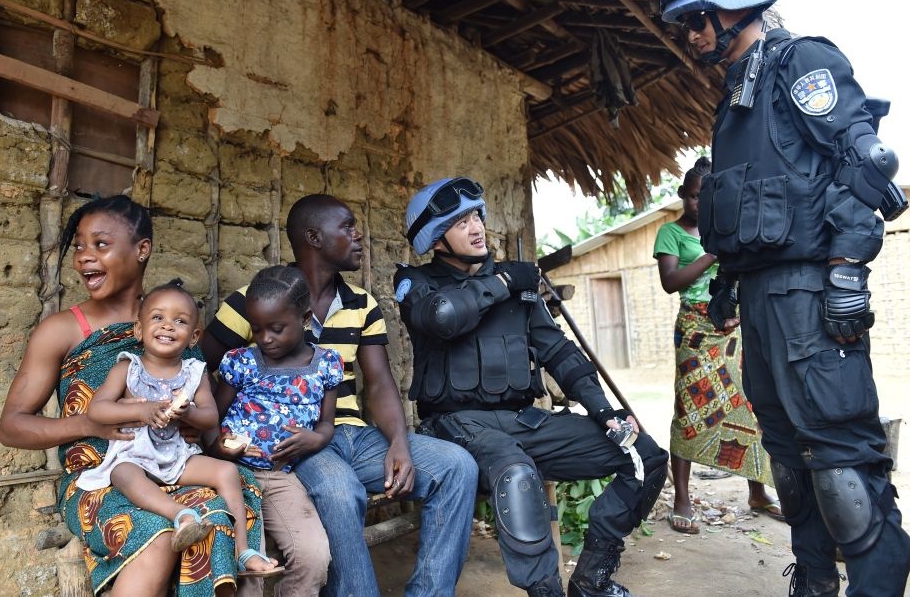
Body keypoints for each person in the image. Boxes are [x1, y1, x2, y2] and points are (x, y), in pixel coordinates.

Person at [659, 0, 910, 596]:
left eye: (695, 20)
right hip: (758, 310)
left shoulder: (801, 62)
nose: (690, 36)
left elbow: (865, 163)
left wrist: (849, 271)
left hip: (810, 296)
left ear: (733, 5)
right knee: (791, 470)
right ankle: (815, 584)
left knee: (845, 474)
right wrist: (724, 289)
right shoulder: (732, 101)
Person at [393, 177, 669, 597]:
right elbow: (443, 317)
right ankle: (546, 591)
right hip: (457, 427)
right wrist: (504, 283)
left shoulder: (516, 286)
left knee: (643, 456)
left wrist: (605, 411)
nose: (476, 227)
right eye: (460, 221)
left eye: (476, 216)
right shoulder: (417, 284)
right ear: (436, 238)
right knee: (516, 473)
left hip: (524, 422)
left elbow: (560, 353)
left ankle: (591, 578)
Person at [201, 194, 478, 597]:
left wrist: (399, 443)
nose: (358, 235)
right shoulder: (256, 301)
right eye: (347, 227)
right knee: (339, 489)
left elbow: (380, 383)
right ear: (314, 237)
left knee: (457, 467)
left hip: (353, 434)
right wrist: (215, 438)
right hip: (301, 444)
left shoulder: (362, 304)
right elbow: (196, 367)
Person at [0, 195, 264, 597]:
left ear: (142, 250)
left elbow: (198, 409)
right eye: (81, 246)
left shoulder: (172, 322)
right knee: (154, 535)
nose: (85, 257)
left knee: (221, 512)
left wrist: (201, 429)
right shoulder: (63, 331)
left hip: (174, 465)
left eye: (100, 244)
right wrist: (89, 423)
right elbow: (11, 427)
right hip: (101, 479)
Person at [75, 280, 282, 577]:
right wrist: (140, 410)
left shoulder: (194, 373)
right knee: (123, 474)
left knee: (227, 472)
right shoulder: (127, 368)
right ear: (138, 330)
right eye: (157, 318)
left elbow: (210, 417)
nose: (168, 327)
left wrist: (188, 414)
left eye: (180, 321)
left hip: (178, 454)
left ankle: (243, 551)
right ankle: (182, 516)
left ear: (194, 336)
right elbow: (97, 409)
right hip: (135, 453)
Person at [653, 157, 781, 534]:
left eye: (706, 199)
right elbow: (670, 281)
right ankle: (681, 497)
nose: (699, 205)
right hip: (695, 329)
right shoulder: (670, 233)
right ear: (683, 196)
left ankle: (757, 491)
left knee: (750, 405)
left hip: (733, 326)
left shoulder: (730, 227)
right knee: (690, 407)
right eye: (694, 197)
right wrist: (713, 252)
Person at [207, 264, 341, 596]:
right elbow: (211, 420)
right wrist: (221, 447)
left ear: (305, 317)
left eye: (277, 328)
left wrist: (315, 439)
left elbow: (326, 424)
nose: (265, 338)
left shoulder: (325, 364)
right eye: (257, 328)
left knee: (314, 556)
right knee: (248, 570)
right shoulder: (242, 362)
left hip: (282, 479)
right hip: (233, 476)